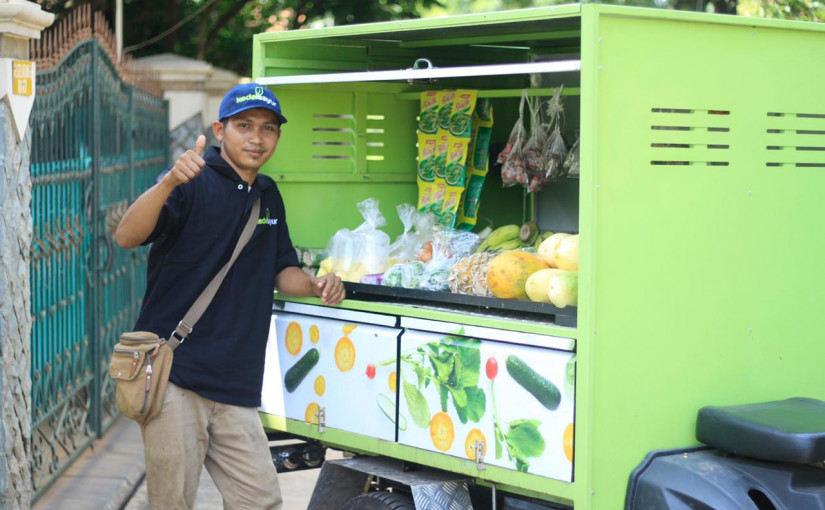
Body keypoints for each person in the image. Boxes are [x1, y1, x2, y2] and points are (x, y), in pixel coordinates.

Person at [114, 82, 345, 510]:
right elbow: (126, 235)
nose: (257, 138)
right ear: (220, 131)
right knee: (173, 504)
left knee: (260, 501)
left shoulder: (267, 195)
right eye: (244, 126)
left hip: (236, 384)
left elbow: (282, 268)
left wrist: (314, 284)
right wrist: (167, 183)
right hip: (175, 377)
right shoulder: (190, 182)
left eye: (268, 128)